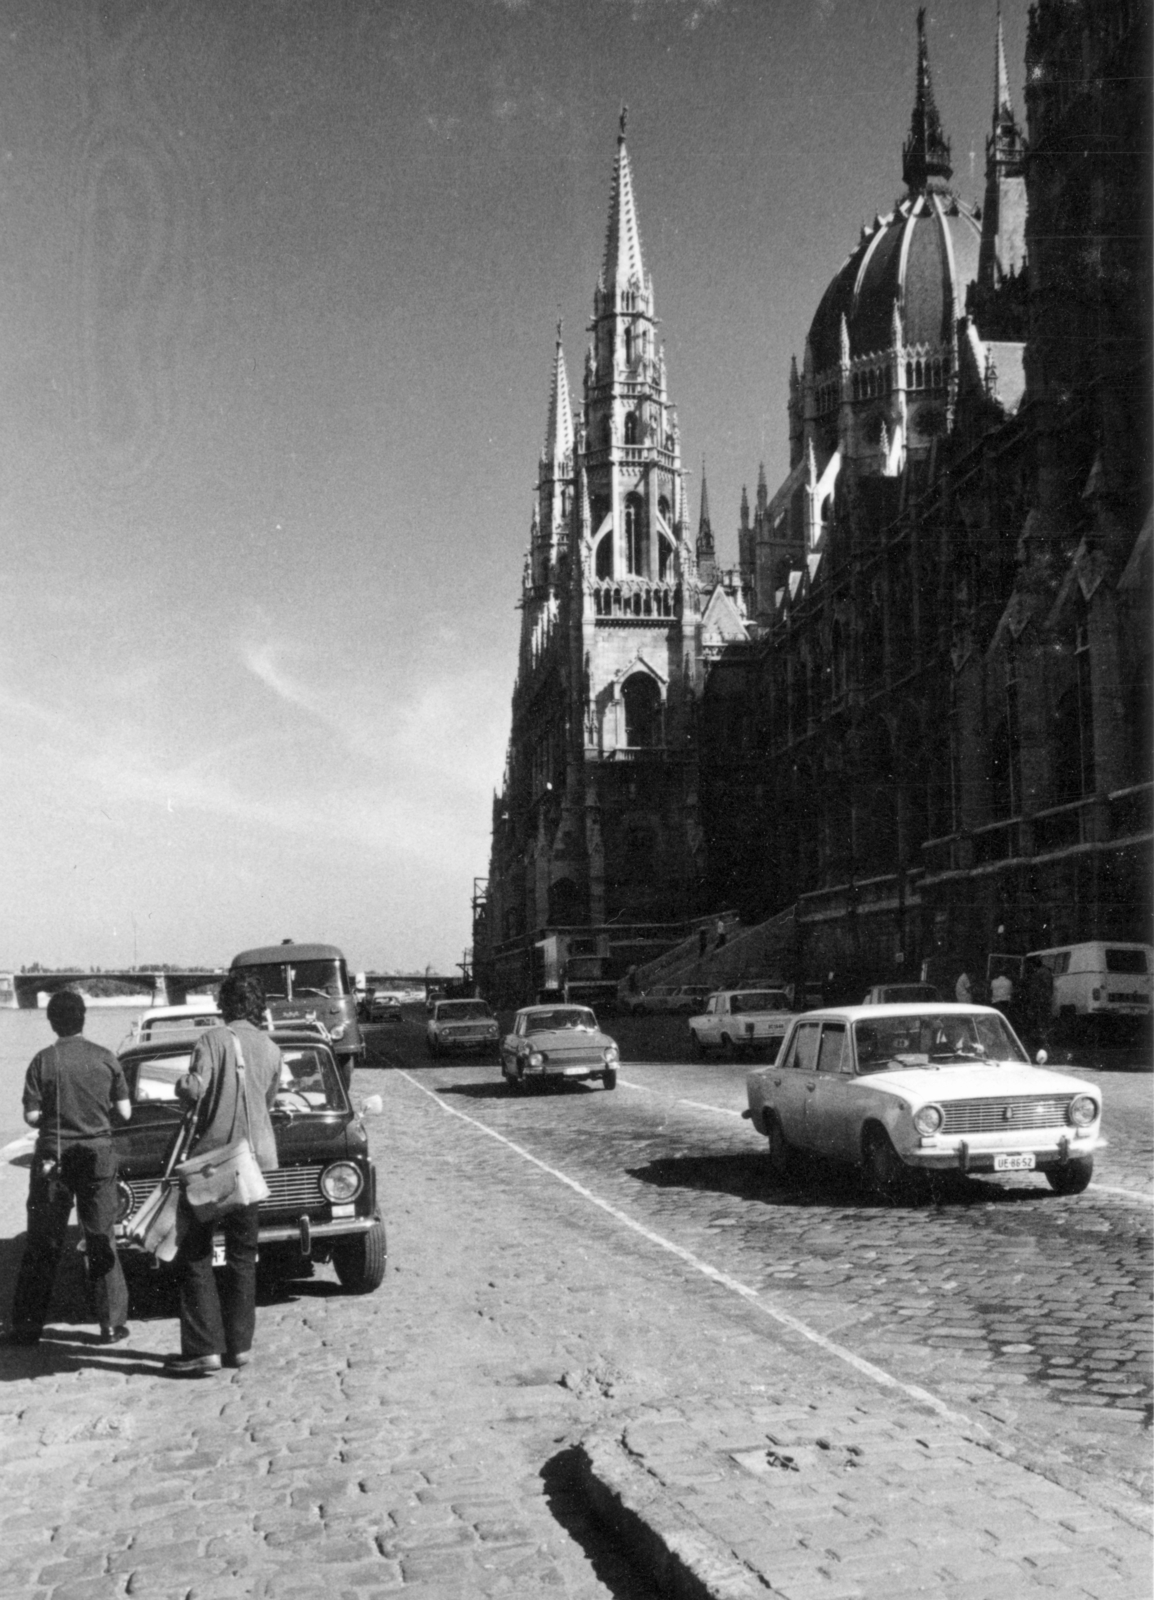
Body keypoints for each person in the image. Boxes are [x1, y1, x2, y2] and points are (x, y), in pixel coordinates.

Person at [164, 973, 282, 1378]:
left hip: (212, 1165)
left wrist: (182, 1083)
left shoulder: (212, 1040)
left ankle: (204, 1348)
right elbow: (267, 1102)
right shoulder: (271, 1048)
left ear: (225, 1004)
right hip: (252, 1167)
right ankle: (240, 1346)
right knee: (243, 1257)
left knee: (194, 1254)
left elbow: (195, 1089)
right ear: (258, 1006)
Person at [4, 990, 132, 1346]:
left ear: (51, 1022)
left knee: (43, 1242)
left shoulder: (43, 1060)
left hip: (52, 1160)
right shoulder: (106, 1058)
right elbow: (124, 1113)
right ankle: (110, 1324)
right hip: (98, 1158)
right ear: (83, 1018)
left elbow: (31, 1116)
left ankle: (28, 1327)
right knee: (100, 1238)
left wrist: (55, 1116)